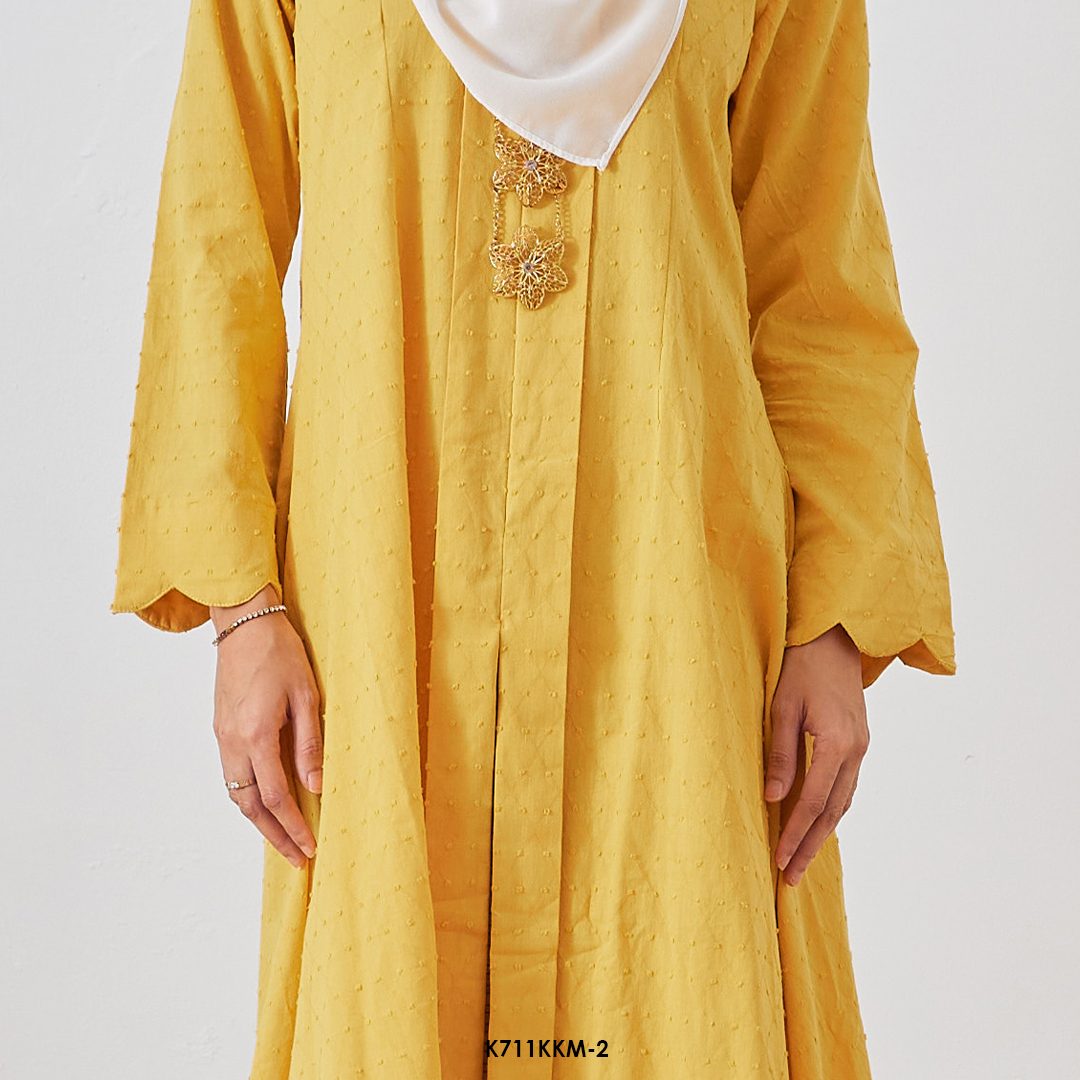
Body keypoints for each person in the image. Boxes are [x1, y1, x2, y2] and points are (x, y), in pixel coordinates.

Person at [110, 0, 957, 1075]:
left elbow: (823, 278)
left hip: (675, 595)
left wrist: (833, 623)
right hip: (381, 598)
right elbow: (216, 240)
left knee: (678, 982)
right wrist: (243, 608)